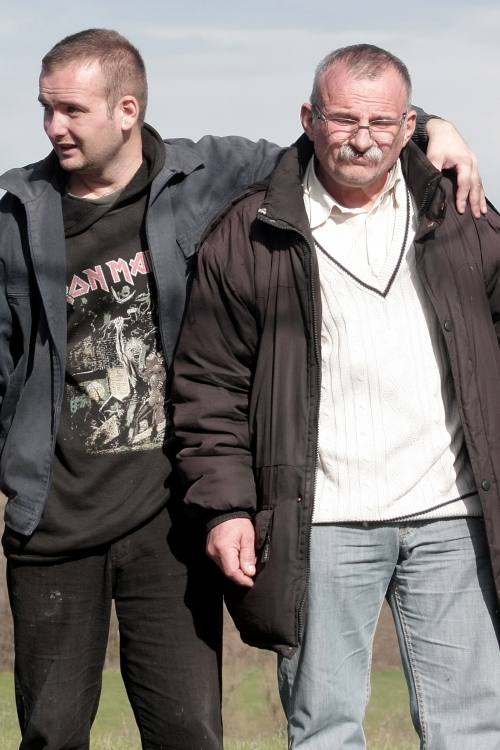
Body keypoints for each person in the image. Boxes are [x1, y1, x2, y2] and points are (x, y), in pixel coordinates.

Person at [0, 27, 484, 750]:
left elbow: (344, 133)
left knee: (191, 734)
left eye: (71, 110)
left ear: (127, 110)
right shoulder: (18, 214)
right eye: (46, 108)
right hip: (55, 523)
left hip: (169, 520)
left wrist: (436, 128)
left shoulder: (207, 175)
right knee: (51, 732)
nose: (52, 127)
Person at [174, 44, 500, 749]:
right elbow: (209, 387)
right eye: (344, 118)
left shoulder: (464, 215)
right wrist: (226, 508)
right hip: (317, 524)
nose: (362, 138)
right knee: (324, 731)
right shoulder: (249, 234)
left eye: (381, 122)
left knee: (472, 730)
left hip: (454, 517)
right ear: (309, 119)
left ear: (409, 127)